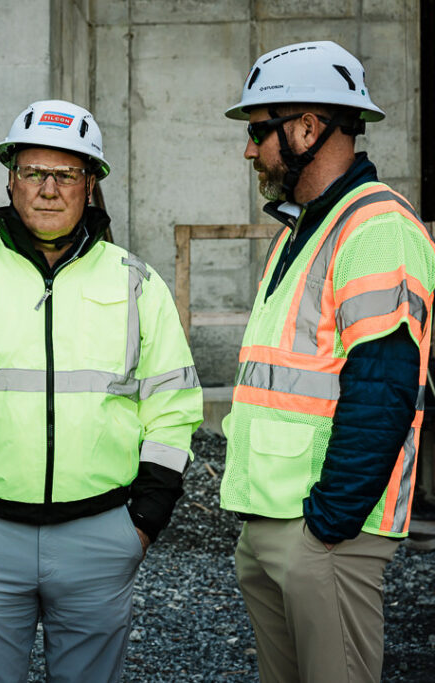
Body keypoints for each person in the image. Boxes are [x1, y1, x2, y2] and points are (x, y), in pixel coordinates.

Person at [0, 100, 203, 682]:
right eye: (34, 173)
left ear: (91, 184)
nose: (49, 189)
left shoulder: (137, 283)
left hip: (100, 537)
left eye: (67, 174)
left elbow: (173, 407)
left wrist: (143, 522)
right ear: (10, 180)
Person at [220, 40, 435, 683]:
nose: (250, 149)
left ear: (308, 128)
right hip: (274, 523)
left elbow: (385, 388)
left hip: (326, 534)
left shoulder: (376, 229)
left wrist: (327, 525)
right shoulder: (303, 226)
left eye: (260, 131)